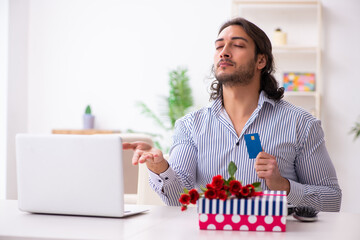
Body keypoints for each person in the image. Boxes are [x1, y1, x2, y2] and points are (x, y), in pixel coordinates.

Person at [123, 17, 341, 212]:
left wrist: (284, 186)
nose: (224, 52)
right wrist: (159, 167)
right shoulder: (189, 126)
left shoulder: (301, 124)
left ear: (261, 61)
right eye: (219, 46)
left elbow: (332, 200)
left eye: (237, 45)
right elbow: (179, 199)